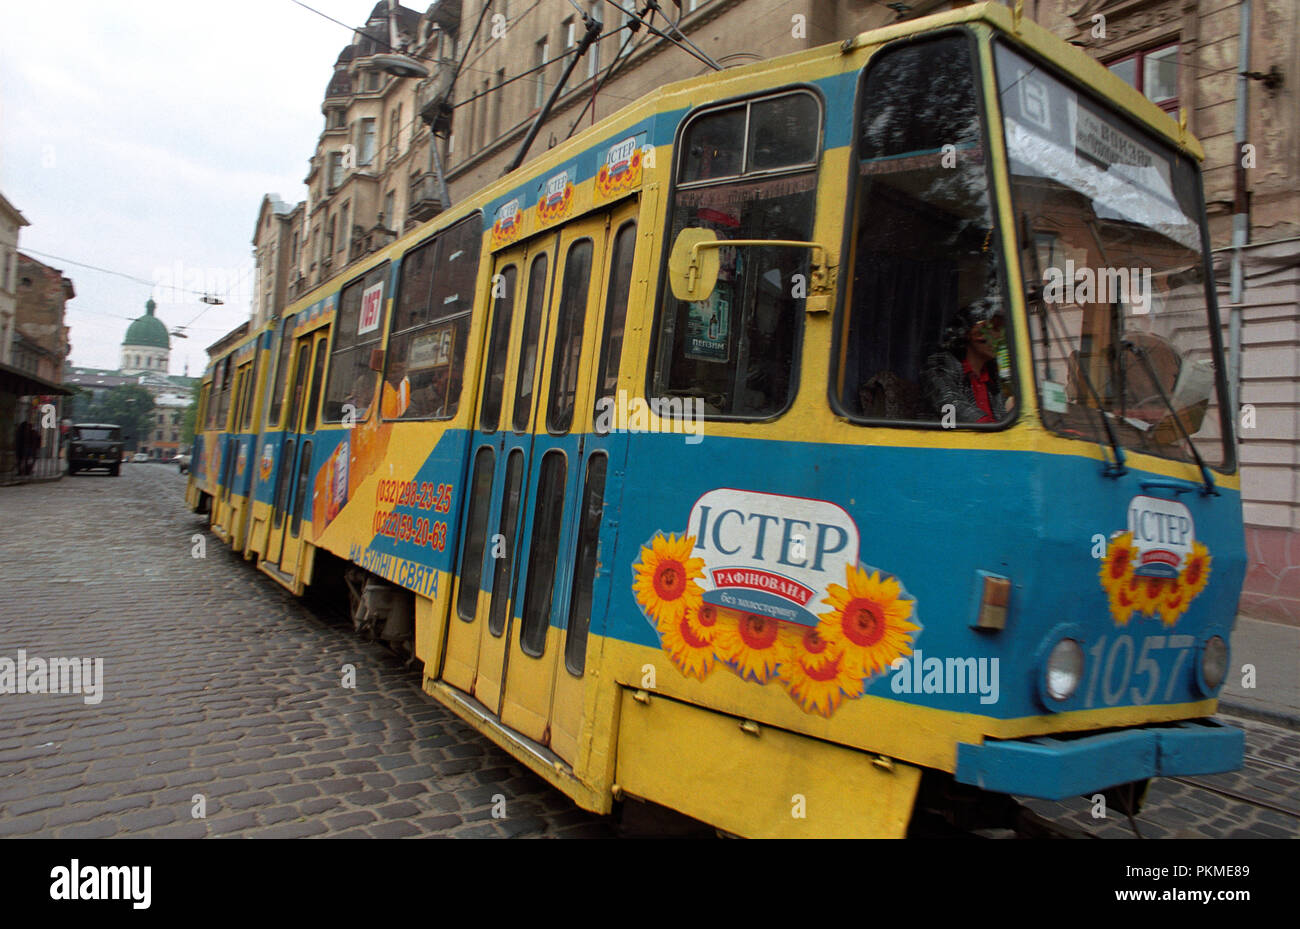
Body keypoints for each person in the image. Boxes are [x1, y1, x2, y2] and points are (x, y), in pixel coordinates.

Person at [921, 299, 1010, 424]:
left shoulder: (992, 374)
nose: (1001, 337)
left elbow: (1003, 411)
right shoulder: (939, 365)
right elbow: (950, 404)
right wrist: (989, 426)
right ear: (975, 334)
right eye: (995, 329)